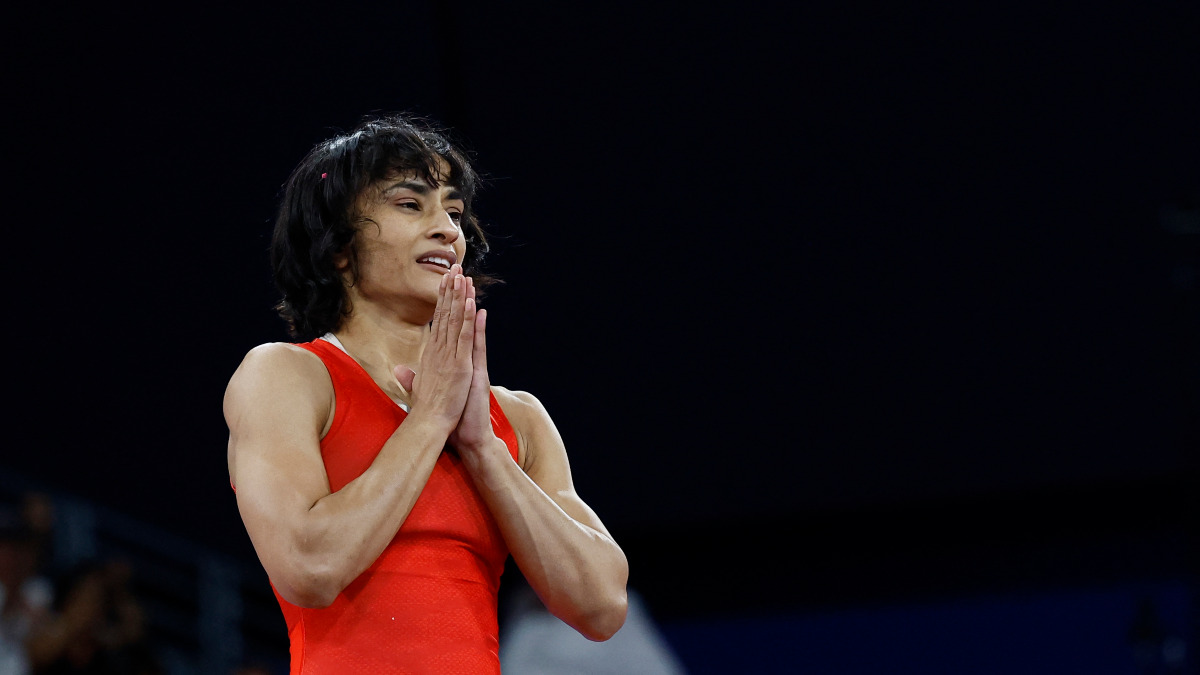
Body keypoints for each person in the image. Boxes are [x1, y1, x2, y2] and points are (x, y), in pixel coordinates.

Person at [223, 113, 629, 674]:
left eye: (455, 212)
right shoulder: (285, 376)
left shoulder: (517, 419)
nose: (447, 229)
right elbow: (308, 568)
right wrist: (428, 421)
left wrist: (485, 450)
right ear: (338, 246)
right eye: (410, 205)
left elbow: (602, 606)